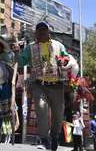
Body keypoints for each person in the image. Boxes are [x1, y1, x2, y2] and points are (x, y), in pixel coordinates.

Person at [18, 21, 69, 151]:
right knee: (41, 111)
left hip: (57, 85)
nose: (41, 32)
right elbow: (21, 61)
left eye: (43, 29)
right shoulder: (30, 47)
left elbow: (66, 57)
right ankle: (44, 139)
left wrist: (63, 60)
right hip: (38, 84)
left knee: (58, 115)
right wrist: (17, 52)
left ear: (48, 32)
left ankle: (54, 136)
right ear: (36, 33)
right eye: (39, 30)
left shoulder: (58, 45)